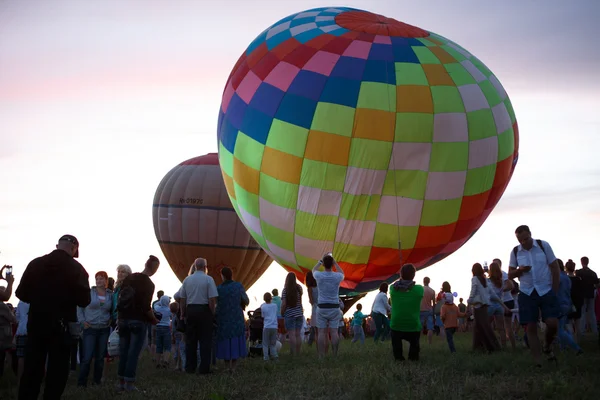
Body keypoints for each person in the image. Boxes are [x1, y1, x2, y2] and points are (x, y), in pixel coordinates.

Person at [16, 235, 91, 400]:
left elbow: (21, 293)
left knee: (32, 368)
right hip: (61, 327)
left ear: (57, 246)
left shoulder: (35, 264)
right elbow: (84, 300)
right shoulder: (77, 269)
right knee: (57, 370)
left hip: (36, 323)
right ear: (74, 249)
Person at [508, 225, 560, 366]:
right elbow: (510, 274)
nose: (524, 242)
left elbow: (555, 268)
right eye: (521, 240)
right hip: (527, 291)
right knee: (530, 327)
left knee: (552, 323)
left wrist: (554, 290)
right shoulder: (515, 252)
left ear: (531, 234)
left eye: (526, 239)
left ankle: (547, 345)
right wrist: (520, 270)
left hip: (545, 289)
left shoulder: (543, 246)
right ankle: (538, 362)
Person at [116, 255, 160, 392]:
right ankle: (129, 384)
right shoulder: (149, 284)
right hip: (137, 321)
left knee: (123, 352)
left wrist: (119, 317)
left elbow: (120, 298)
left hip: (123, 319)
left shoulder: (130, 278)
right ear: (154, 268)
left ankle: (121, 383)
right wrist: (153, 319)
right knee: (133, 353)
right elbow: (146, 307)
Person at [179, 258, 218, 375]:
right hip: (204, 310)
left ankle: (190, 368)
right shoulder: (209, 279)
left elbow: (182, 299)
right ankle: (204, 368)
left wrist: (183, 313)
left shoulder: (187, 280)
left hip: (191, 310)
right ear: (205, 266)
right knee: (205, 341)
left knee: (191, 341)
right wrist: (212, 313)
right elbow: (212, 299)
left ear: (195, 266)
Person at [77, 271, 113, 387]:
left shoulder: (110, 295)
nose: (98, 281)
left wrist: (111, 319)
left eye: (101, 279)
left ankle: (96, 382)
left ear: (106, 281)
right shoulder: (89, 293)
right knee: (87, 357)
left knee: (100, 358)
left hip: (104, 329)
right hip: (90, 328)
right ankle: (81, 383)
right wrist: (82, 322)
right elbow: (79, 307)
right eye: (97, 279)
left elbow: (113, 309)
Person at [215, 267, 249, 372]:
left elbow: (216, 303)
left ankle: (226, 367)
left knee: (225, 341)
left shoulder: (219, 288)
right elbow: (246, 300)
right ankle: (233, 367)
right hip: (236, 317)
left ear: (222, 276)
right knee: (235, 340)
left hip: (223, 317)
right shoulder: (238, 286)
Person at [468, 263, 507, 353]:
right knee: (479, 327)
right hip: (485, 306)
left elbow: (473, 290)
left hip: (478, 306)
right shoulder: (485, 280)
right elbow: (493, 294)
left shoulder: (474, 279)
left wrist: (469, 301)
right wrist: (503, 304)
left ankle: (493, 347)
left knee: (484, 328)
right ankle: (479, 347)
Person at [312, 253, 344, 357]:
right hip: (334, 307)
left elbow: (313, 270)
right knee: (334, 332)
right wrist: (335, 263)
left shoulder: (319, 275)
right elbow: (342, 273)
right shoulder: (337, 276)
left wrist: (320, 261)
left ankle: (321, 355)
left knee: (321, 332)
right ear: (332, 264)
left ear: (324, 264)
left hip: (322, 307)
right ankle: (335, 354)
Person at [389, 264, 423, 361]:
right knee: (414, 343)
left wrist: (401, 280)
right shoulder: (419, 289)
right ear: (413, 275)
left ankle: (398, 358)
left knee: (396, 341)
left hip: (396, 324)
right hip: (413, 325)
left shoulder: (392, 289)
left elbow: (395, 285)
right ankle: (413, 357)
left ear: (401, 274)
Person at [555, 259, 582, 354]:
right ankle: (563, 348)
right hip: (567, 304)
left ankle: (576, 348)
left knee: (559, 330)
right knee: (563, 327)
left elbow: (554, 291)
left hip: (559, 304)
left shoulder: (557, 278)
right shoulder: (567, 278)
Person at [281, 272, 304, 356]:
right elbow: (300, 301)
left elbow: (284, 304)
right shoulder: (299, 288)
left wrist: (282, 312)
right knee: (298, 334)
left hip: (290, 314)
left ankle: (293, 353)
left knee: (292, 334)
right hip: (299, 313)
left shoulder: (285, 290)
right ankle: (298, 352)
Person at [576, 256, 598, 335]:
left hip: (583, 295)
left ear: (581, 262)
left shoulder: (579, 272)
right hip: (591, 294)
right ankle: (595, 330)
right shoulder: (593, 273)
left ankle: (582, 330)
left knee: (583, 313)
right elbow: (596, 283)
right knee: (592, 313)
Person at [153, 294, 173, 368]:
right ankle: (165, 360)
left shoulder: (157, 308)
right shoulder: (169, 310)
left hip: (158, 327)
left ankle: (158, 362)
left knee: (159, 345)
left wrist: (160, 301)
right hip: (166, 328)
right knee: (167, 346)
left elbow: (155, 304)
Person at [260, 292, 278, 361]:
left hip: (267, 326)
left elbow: (263, 316)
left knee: (265, 343)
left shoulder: (263, 306)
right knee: (273, 343)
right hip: (274, 326)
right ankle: (274, 356)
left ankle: (266, 358)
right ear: (271, 298)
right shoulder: (275, 305)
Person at [420, 277, 435, 345]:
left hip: (421, 310)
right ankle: (430, 343)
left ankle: (418, 342)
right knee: (430, 328)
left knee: (420, 328)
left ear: (423, 281)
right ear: (429, 281)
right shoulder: (432, 291)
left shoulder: (420, 290)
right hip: (429, 310)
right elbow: (434, 303)